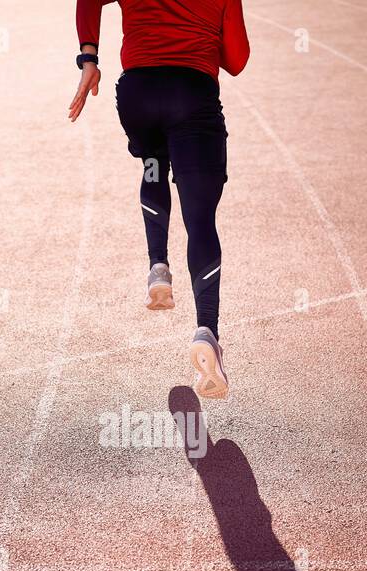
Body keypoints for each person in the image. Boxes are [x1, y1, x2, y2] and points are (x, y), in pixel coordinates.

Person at [69, 1, 249, 400]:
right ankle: (206, 331)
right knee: (200, 219)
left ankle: (158, 268)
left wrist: (89, 58)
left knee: (152, 163)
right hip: (191, 94)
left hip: (139, 95)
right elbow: (237, 60)